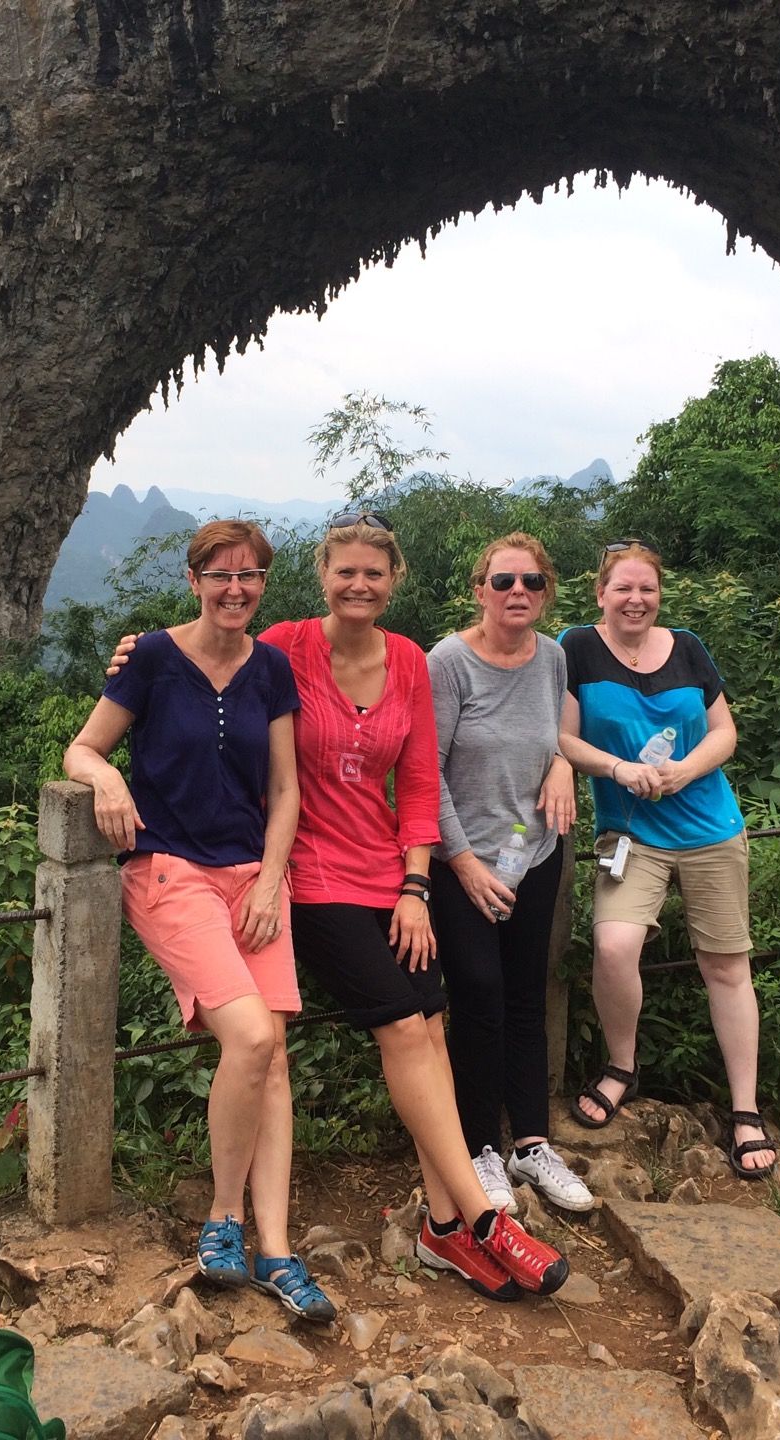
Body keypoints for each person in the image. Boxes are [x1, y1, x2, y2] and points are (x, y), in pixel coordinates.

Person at [111, 513, 570, 1301]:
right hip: (308, 876)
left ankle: (443, 1231)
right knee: (400, 1022)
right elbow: (202, 651)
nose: (359, 585)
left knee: (430, 1022)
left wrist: (417, 886)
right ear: (322, 576)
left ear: (395, 582)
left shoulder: (408, 662)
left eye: (374, 573)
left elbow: (420, 783)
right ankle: (483, 1218)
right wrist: (127, 654)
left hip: (386, 870)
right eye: (344, 571)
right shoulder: (286, 645)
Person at [64, 519, 336, 1321]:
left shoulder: (272, 670)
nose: (235, 589)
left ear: (263, 584)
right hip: (170, 872)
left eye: (250, 575)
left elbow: (284, 791)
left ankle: (278, 1252)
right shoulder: (150, 658)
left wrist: (270, 881)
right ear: (193, 580)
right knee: (250, 1038)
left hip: (253, 877)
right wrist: (108, 786)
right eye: (219, 575)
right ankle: (224, 1218)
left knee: (273, 1054)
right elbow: (83, 749)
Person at [557, 539, 778, 1180]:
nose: (636, 599)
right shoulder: (577, 647)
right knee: (614, 947)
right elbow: (564, 738)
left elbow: (725, 732)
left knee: (726, 965)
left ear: (660, 595)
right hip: (627, 833)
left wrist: (682, 771)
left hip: (711, 827)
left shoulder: (687, 646)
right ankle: (621, 1065)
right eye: (623, 588)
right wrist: (618, 767)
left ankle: (745, 1110)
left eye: (647, 589)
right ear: (600, 592)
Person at [427, 532, 594, 1216]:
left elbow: (555, 733)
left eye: (530, 581)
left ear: (545, 590)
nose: (517, 592)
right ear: (479, 590)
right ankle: (478, 1149)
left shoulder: (551, 657)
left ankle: (530, 1142)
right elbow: (422, 773)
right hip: (462, 860)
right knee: (478, 997)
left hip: (535, 855)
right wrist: (462, 863)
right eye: (503, 582)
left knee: (527, 995)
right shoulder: (450, 663)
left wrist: (562, 765)